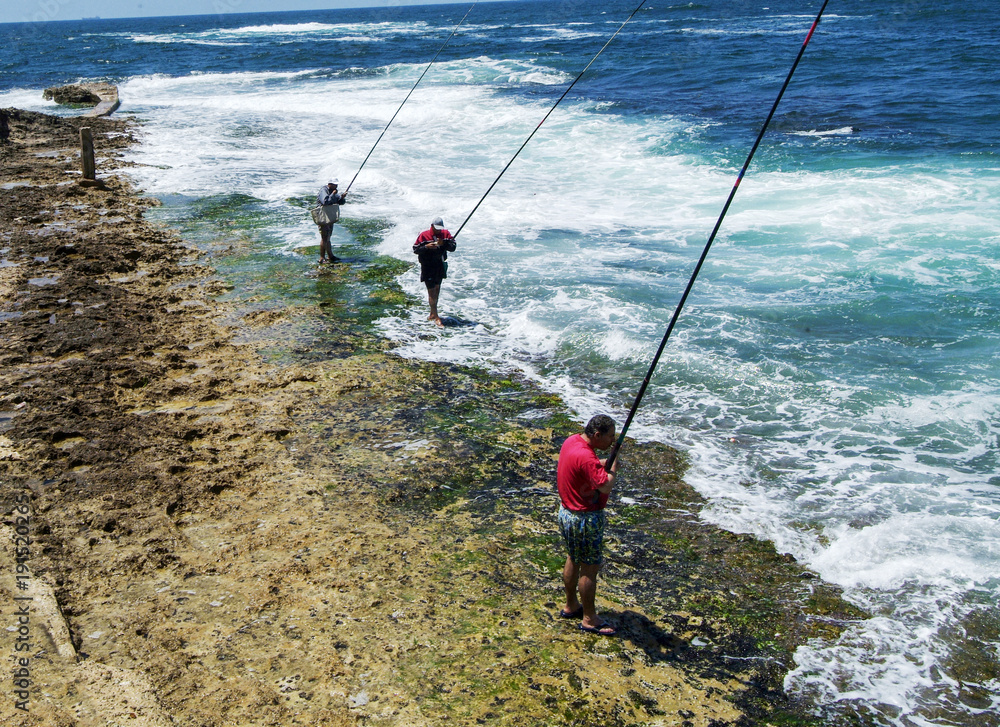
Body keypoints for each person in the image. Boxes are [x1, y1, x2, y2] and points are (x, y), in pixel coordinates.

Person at [556, 414, 619, 636]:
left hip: (566, 513)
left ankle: (571, 605)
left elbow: (588, 467)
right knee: (589, 568)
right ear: (597, 435)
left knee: (573, 557)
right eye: (610, 436)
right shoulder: (586, 456)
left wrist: (603, 463)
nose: (613, 440)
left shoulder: (572, 442)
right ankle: (590, 619)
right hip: (584, 519)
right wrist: (614, 464)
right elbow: (605, 486)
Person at [412, 217, 456, 327]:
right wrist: (426, 247)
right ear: (432, 226)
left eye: (440, 229)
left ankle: (432, 313)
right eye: (436, 228)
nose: (438, 231)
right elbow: (415, 249)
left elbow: (453, 247)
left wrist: (443, 244)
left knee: (437, 289)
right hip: (427, 266)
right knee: (431, 291)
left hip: (439, 265)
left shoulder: (445, 234)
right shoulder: (424, 235)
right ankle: (436, 317)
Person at [316, 179, 347, 264]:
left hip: (329, 216)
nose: (336, 186)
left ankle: (330, 256)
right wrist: (333, 194)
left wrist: (342, 197)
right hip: (322, 216)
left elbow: (340, 202)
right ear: (329, 184)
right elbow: (325, 201)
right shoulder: (324, 190)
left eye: (336, 185)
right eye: (334, 184)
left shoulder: (333, 191)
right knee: (324, 237)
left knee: (328, 236)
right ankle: (322, 258)